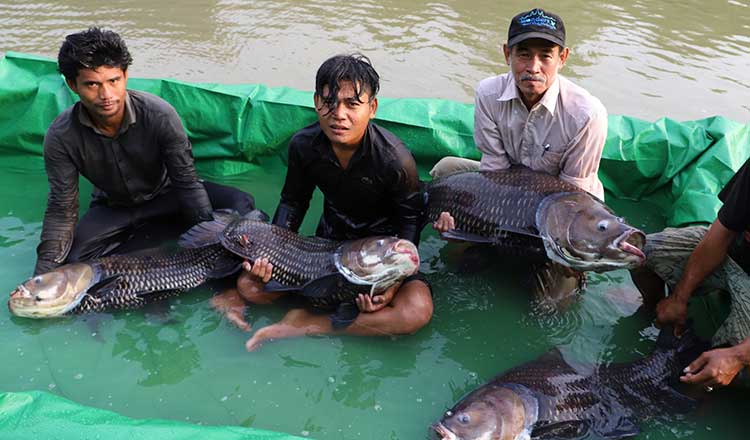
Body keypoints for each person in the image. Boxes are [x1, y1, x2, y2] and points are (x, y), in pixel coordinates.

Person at [212, 54, 433, 350]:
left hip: (381, 255)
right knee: (250, 287)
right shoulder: (304, 145)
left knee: (416, 311)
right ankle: (327, 312)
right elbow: (293, 202)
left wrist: (391, 283)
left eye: (352, 104)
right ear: (316, 101)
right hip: (327, 246)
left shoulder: (395, 158)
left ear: (372, 108)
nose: (338, 114)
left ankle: (310, 323)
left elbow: (410, 220)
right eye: (329, 102)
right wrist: (270, 257)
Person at [34, 28, 255, 275]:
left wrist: (206, 243)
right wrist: (44, 274)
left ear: (126, 75)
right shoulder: (60, 136)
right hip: (114, 207)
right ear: (73, 85)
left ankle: (156, 240)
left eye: (113, 81)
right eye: (92, 85)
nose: (106, 95)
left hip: (168, 194)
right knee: (75, 258)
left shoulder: (159, 114)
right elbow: (62, 209)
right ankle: (158, 239)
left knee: (241, 203)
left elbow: (187, 183)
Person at [431, 8, 608, 233]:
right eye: (524, 54)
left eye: (545, 56)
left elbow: (572, 196)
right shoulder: (488, 94)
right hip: (509, 187)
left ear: (562, 58)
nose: (533, 67)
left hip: (566, 201)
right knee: (446, 170)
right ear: (507, 54)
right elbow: (494, 172)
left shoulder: (587, 114)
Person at [633, 158, 750, 389]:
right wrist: (679, 297)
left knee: (726, 366)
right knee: (640, 253)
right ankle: (656, 312)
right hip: (734, 255)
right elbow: (721, 232)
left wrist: (737, 355)